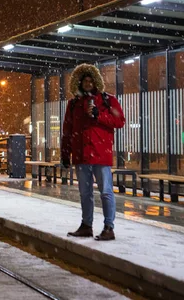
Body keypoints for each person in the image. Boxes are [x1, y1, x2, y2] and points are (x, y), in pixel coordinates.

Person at [61, 64, 125, 241]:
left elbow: (120, 121)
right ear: (79, 83)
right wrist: (65, 154)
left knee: (106, 192)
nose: (88, 83)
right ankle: (86, 225)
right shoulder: (73, 104)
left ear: (96, 81)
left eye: (91, 80)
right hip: (81, 156)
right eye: (84, 81)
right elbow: (67, 130)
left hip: (100, 155)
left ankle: (108, 227)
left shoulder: (107, 100)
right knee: (85, 193)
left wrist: (99, 115)